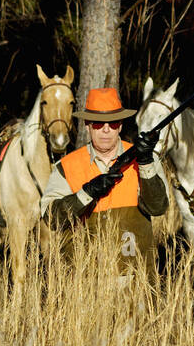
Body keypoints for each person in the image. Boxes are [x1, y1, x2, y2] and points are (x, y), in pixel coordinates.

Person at [40, 86, 168, 284]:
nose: (106, 129)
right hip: (82, 280)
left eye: (113, 122)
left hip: (135, 276)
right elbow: (52, 218)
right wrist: (87, 193)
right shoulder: (66, 167)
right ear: (87, 125)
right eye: (98, 124)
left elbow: (158, 207)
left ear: (121, 125)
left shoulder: (143, 160)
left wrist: (144, 163)